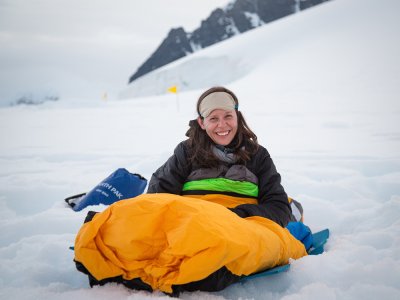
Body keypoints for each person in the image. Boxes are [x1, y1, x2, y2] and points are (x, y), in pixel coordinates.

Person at [147, 86, 302, 227]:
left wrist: (238, 216)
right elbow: (158, 197)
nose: (222, 125)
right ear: (202, 123)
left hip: (244, 229)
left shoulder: (258, 155)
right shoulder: (187, 151)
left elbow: (278, 207)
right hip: (194, 227)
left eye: (228, 116)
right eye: (213, 118)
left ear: (237, 117)